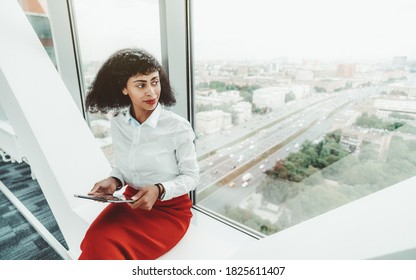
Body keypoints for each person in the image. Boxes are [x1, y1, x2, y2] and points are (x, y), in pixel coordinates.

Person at [78, 48, 199, 260]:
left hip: (169, 211)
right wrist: (114, 180)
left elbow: (192, 177)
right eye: (141, 85)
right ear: (124, 89)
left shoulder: (178, 127)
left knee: (107, 251)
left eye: (155, 81)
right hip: (131, 202)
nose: (151, 92)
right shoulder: (118, 122)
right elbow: (123, 165)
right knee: (94, 241)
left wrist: (160, 189)